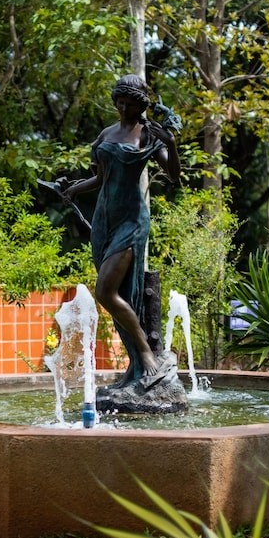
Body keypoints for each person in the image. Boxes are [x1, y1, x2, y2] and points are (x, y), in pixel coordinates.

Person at [60, 74, 181, 391]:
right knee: (119, 296)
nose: (124, 109)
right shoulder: (107, 133)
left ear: (141, 105)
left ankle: (147, 354)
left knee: (105, 291)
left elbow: (174, 177)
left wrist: (170, 144)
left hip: (131, 221)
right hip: (104, 220)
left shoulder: (149, 135)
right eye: (120, 103)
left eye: (130, 104)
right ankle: (135, 366)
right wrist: (74, 190)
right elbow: (101, 179)